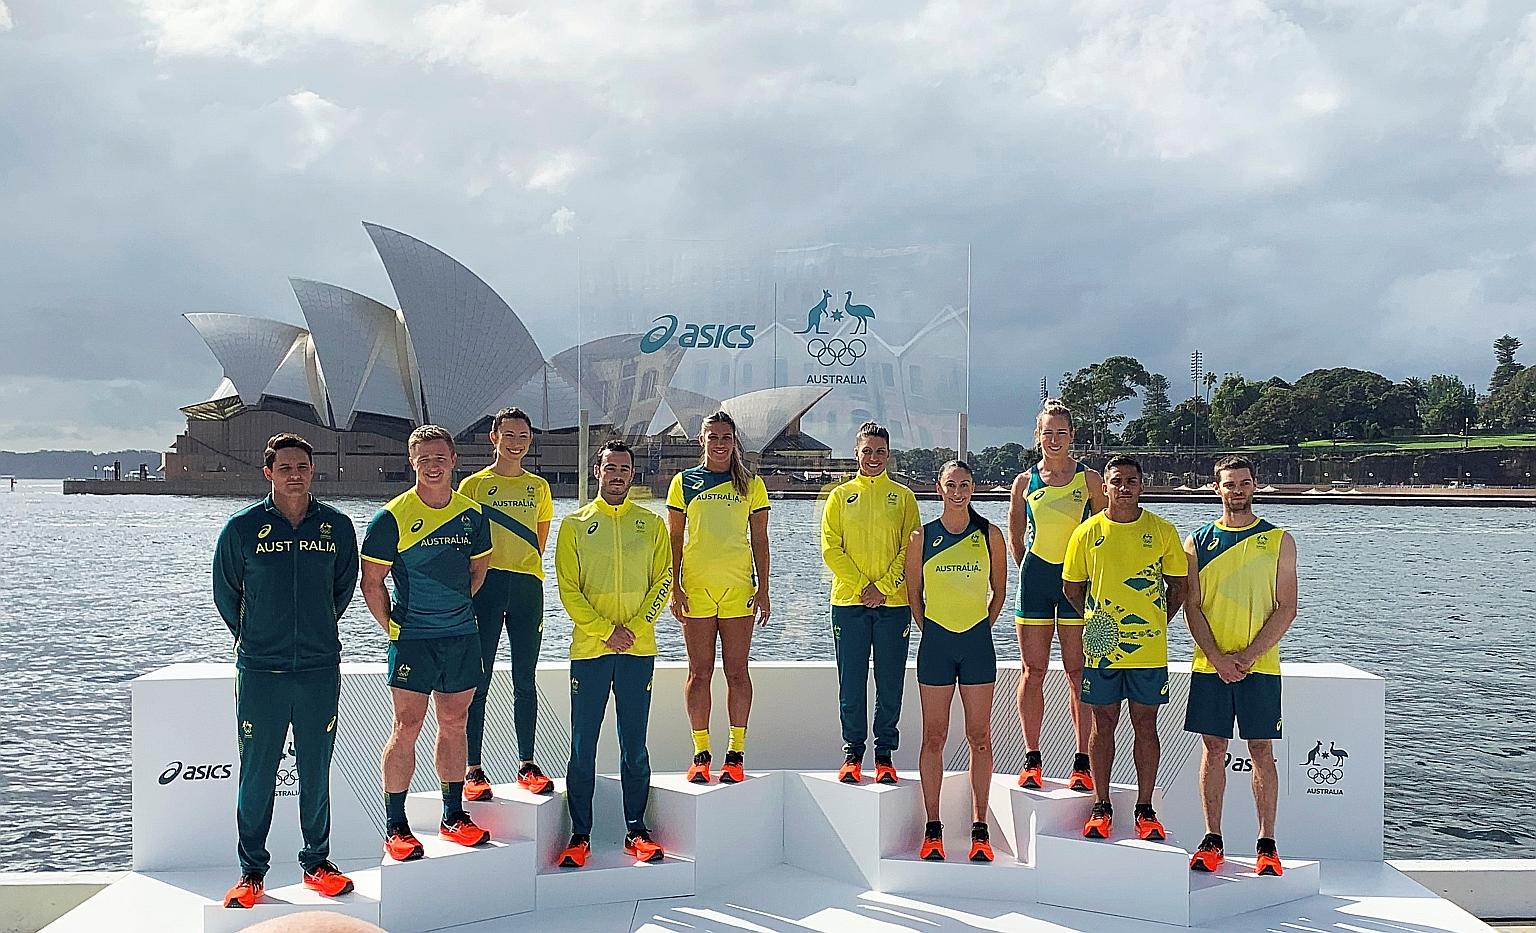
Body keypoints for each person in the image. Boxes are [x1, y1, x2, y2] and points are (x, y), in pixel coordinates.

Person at [213, 433, 359, 909]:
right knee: (257, 773)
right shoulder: (242, 528)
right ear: (268, 473)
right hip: (261, 672)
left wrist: (313, 633)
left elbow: (341, 590)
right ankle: (251, 872)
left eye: (302, 466)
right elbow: (226, 595)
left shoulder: (336, 528)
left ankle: (316, 862)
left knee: (316, 770)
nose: (295, 474)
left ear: (312, 471)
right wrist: (260, 637)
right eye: (286, 467)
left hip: (318, 669)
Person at [361, 425, 494, 861]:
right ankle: (395, 825)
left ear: (454, 461)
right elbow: (372, 582)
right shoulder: (391, 517)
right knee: (407, 726)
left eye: (440, 457)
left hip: (460, 636)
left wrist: (452, 612)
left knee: (455, 724)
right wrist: (392, 629)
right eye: (424, 458)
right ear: (411, 461)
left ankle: (453, 815)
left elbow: (478, 574)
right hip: (413, 639)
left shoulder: (474, 516)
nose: (433, 465)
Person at [552, 441, 671, 868]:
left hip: (638, 650)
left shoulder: (651, 524)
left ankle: (636, 829)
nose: (618, 474)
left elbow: (663, 583)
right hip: (590, 651)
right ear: (597, 470)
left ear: (632, 473)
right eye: (610, 467)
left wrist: (634, 629)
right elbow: (569, 589)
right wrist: (605, 631)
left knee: (634, 746)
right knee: (583, 746)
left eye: (625, 468)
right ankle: (579, 835)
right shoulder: (575, 525)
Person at [1182, 456, 1297, 877]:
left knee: (1261, 751)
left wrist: (1247, 656)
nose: (1238, 490)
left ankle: (1266, 844)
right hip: (1210, 665)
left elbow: (1288, 607)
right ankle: (1213, 839)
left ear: (1255, 486)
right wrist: (1216, 657)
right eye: (1229, 484)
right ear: (1217, 488)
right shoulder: (1196, 543)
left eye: (1245, 483)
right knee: (1213, 749)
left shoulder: (1279, 540)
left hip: (1259, 667)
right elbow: (1191, 607)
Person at [1062, 455, 1187, 842]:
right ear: (1105, 487)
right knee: (1102, 723)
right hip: (1102, 649)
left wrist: (1155, 623)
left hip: (1148, 651)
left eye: (1131, 480)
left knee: (1145, 724)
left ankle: (1144, 808)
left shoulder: (1162, 531)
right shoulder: (1086, 533)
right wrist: (1099, 622)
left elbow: (1178, 586)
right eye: (1117, 481)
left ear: (1141, 485)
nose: (1124, 487)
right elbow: (1072, 588)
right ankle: (1101, 804)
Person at [903, 461, 1008, 862]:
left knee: (980, 737)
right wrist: (932, 629)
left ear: (973, 488)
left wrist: (980, 626)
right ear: (939, 489)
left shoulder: (990, 535)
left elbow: (998, 591)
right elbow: (915, 594)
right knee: (934, 737)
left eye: (965, 484)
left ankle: (979, 827)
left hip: (977, 643)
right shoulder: (921, 537)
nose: (958, 491)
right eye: (951, 485)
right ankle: (933, 828)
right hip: (936, 645)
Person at [667, 411, 771, 785]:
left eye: (726, 437)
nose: (720, 444)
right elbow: (674, 540)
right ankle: (700, 753)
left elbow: (760, 540)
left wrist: (764, 588)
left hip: (738, 589)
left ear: (734, 442)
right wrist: (674, 585)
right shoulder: (683, 483)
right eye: (713, 437)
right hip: (696, 587)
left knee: (737, 671)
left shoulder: (750, 484)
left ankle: (735, 753)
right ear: (702, 441)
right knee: (699, 672)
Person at [457, 407, 555, 799]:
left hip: (527, 586)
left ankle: (526, 763)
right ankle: (473, 768)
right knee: (478, 679)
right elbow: (464, 541)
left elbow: (540, 539)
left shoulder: (539, 488)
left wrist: (521, 567)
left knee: (524, 678)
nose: (517, 443)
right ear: (493, 438)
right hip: (486, 586)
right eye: (510, 435)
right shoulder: (474, 486)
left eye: (524, 436)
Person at [1008, 400, 1105, 791]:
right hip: (1036, 580)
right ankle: (1032, 759)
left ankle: (1081, 760)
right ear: (1037, 436)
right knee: (1033, 672)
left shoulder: (1090, 480)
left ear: (1072, 436)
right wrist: (1030, 572)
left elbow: (1105, 534)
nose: (1053, 439)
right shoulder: (1024, 482)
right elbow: (1016, 538)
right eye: (1047, 432)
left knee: (1077, 672)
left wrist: (1089, 580)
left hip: (1076, 586)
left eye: (1061, 432)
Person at [821, 421, 920, 784]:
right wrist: (864, 586)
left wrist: (884, 586)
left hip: (893, 605)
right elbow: (831, 548)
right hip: (849, 603)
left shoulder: (904, 497)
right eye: (867, 451)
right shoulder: (839, 496)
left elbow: (910, 549)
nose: (873, 457)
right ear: (856, 453)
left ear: (888, 454)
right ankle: (852, 753)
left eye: (880, 451)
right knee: (851, 681)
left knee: (890, 680)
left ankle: (884, 754)